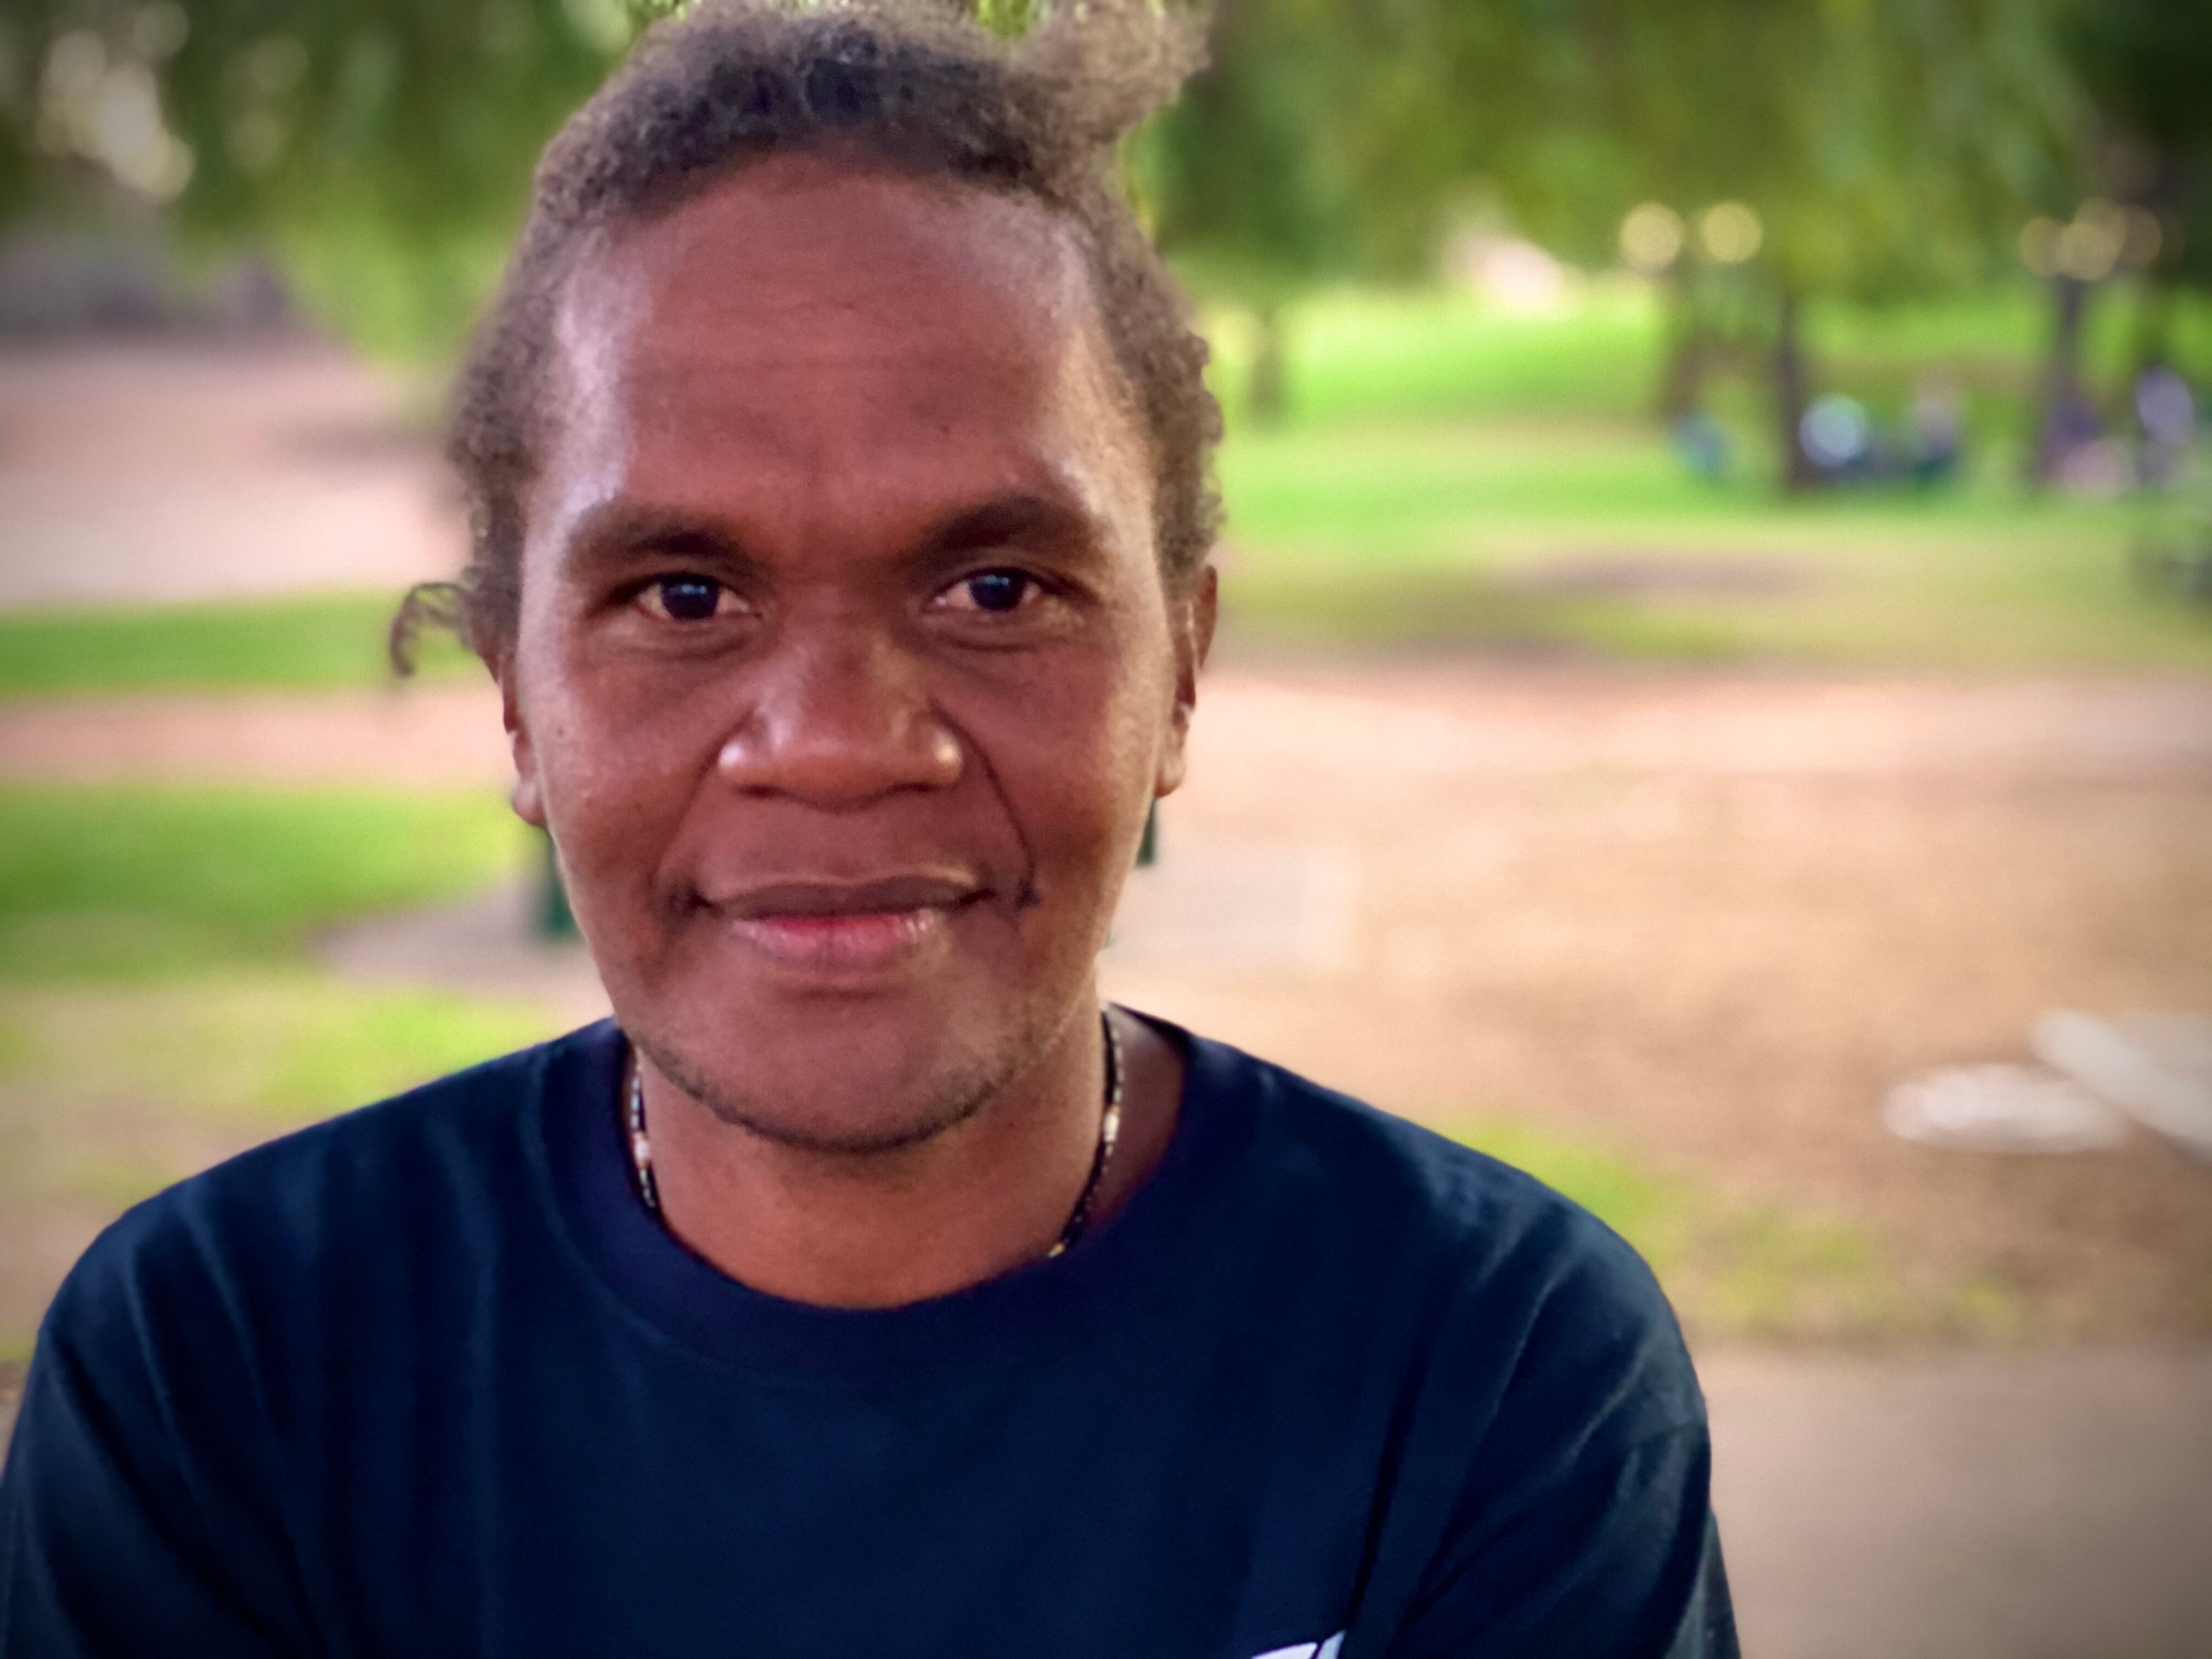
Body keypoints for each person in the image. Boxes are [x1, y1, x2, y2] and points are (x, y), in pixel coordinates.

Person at [0, 5, 1735, 1655]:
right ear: (514, 697)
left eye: (994, 585)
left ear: (1181, 670)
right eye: (685, 595)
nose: (834, 747)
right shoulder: (223, 1373)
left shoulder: (1485, 1372)